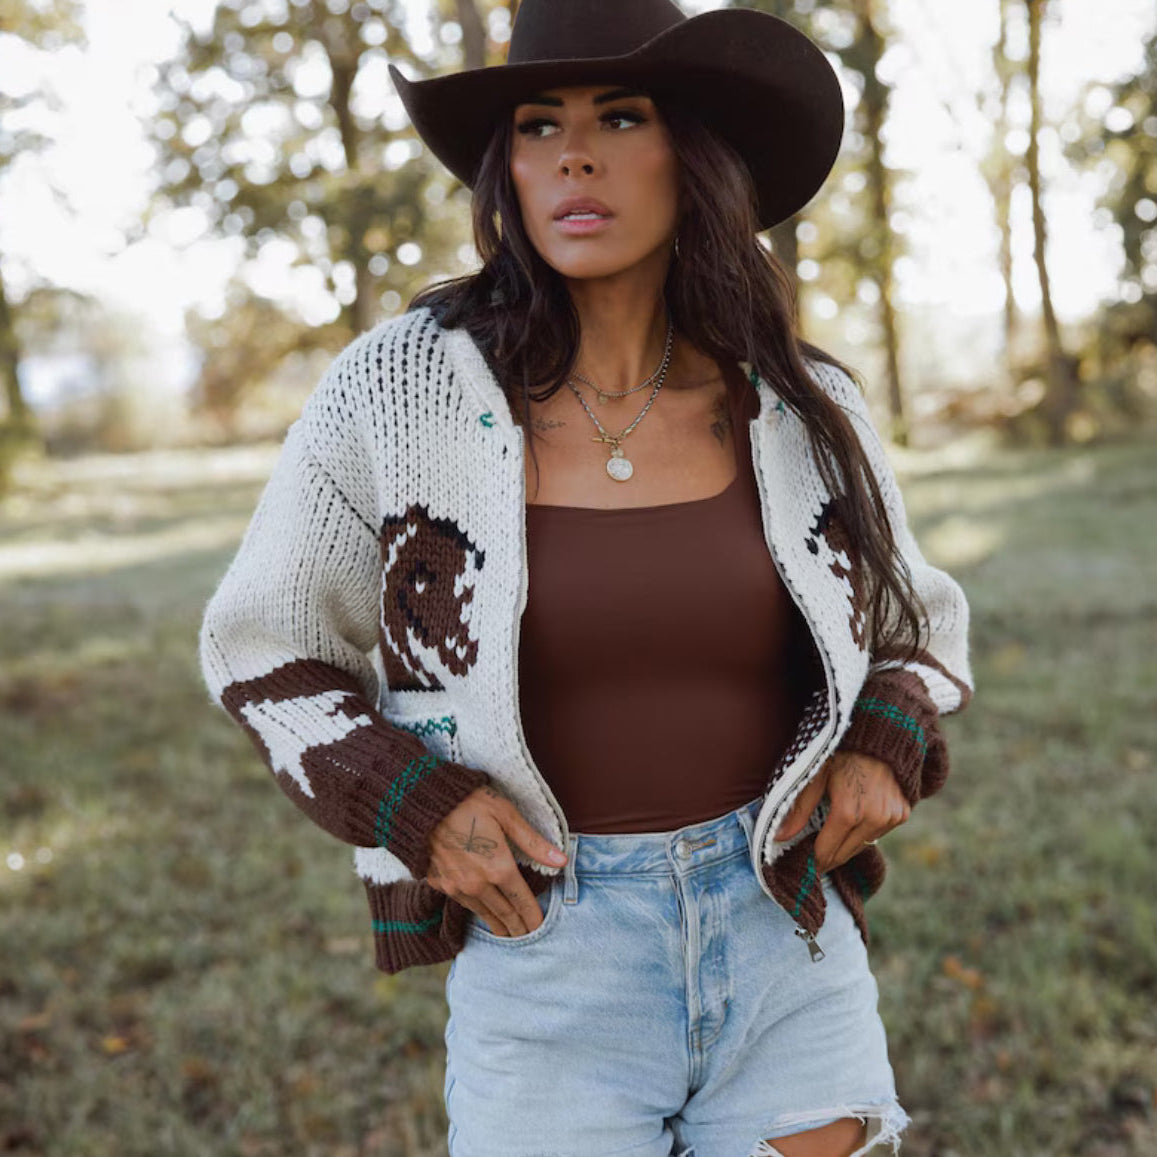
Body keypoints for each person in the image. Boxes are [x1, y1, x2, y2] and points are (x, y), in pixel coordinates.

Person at [198, 1, 974, 1154]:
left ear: (693, 153)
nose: (572, 154)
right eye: (534, 125)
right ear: (504, 170)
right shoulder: (396, 393)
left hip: (781, 946)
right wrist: (411, 801)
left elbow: (913, 621)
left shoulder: (801, 404)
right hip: (547, 957)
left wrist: (881, 738)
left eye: (620, 116)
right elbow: (262, 642)